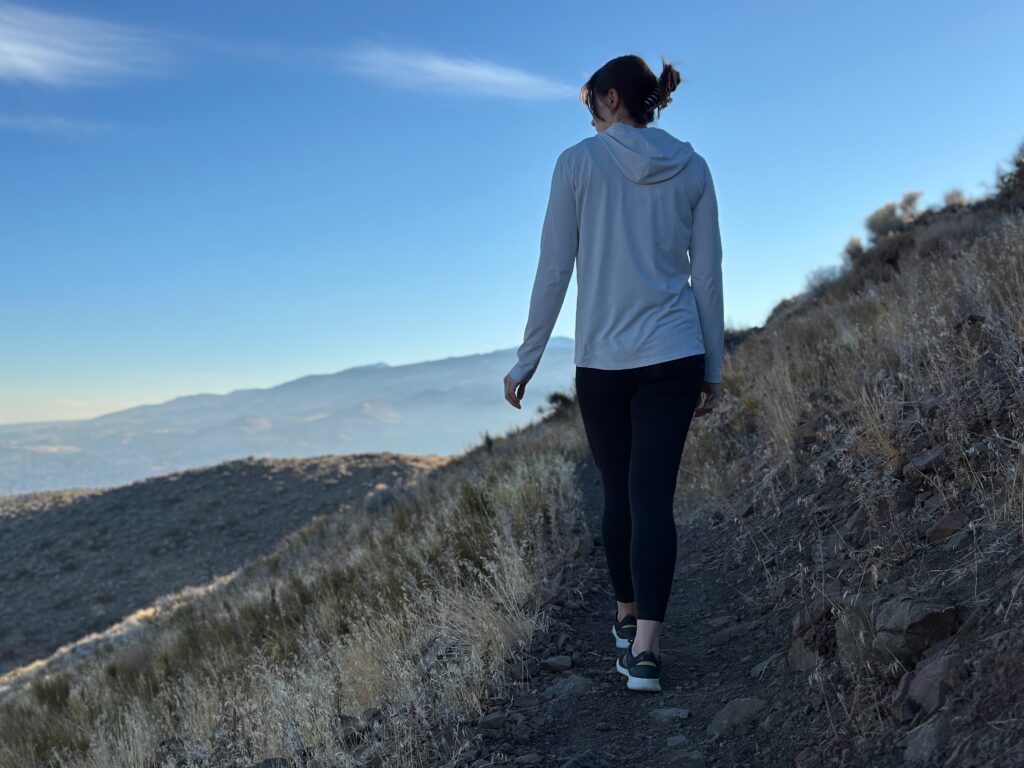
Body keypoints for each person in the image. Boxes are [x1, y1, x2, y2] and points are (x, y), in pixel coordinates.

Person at [502, 54, 724, 693]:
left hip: (602, 361)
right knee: (652, 498)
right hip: (676, 354)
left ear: (609, 100)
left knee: (619, 492)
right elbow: (705, 274)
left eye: (590, 105)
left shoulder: (576, 164)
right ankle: (646, 653)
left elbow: (554, 268)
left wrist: (527, 359)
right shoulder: (693, 167)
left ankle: (626, 620)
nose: (590, 118)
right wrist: (713, 364)